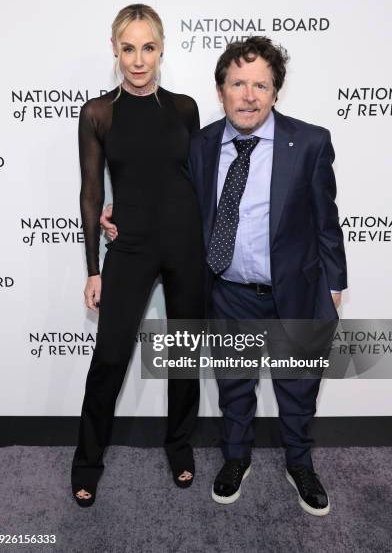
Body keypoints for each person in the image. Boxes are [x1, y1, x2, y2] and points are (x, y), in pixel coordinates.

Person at [103, 36, 347, 516]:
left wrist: (335, 283)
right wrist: (120, 211)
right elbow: (168, 199)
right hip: (230, 292)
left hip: (294, 290)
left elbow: (326, 219)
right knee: (235, 387)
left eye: (260, 85)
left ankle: (300, 464)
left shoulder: (310, 142)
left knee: (297, 389)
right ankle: (236, 459)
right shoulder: (201, 145)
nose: (249, 95)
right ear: (221, 91)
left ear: (276, 92)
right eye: (238, 83)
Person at [71, 3, 205, 507]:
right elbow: (89, 192)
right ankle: (87, 461)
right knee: (108, 357)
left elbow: (199, 181)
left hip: (186, 243)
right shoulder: (98, 113)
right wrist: (92, 266)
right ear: (115, 50)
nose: (138, 60)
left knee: (185, 353)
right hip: (127, 246)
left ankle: (179, 445)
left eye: (148, 47)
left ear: (162, 48)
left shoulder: (185, 109)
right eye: (128, 48)